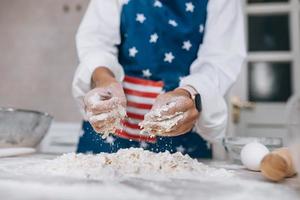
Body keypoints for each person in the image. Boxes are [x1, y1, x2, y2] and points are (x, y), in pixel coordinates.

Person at [72, 0, 246, 158]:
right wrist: (104, 81)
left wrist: (189, 93)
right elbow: (96, 43)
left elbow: (219, 61)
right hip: (107, 137)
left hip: (182, 140)